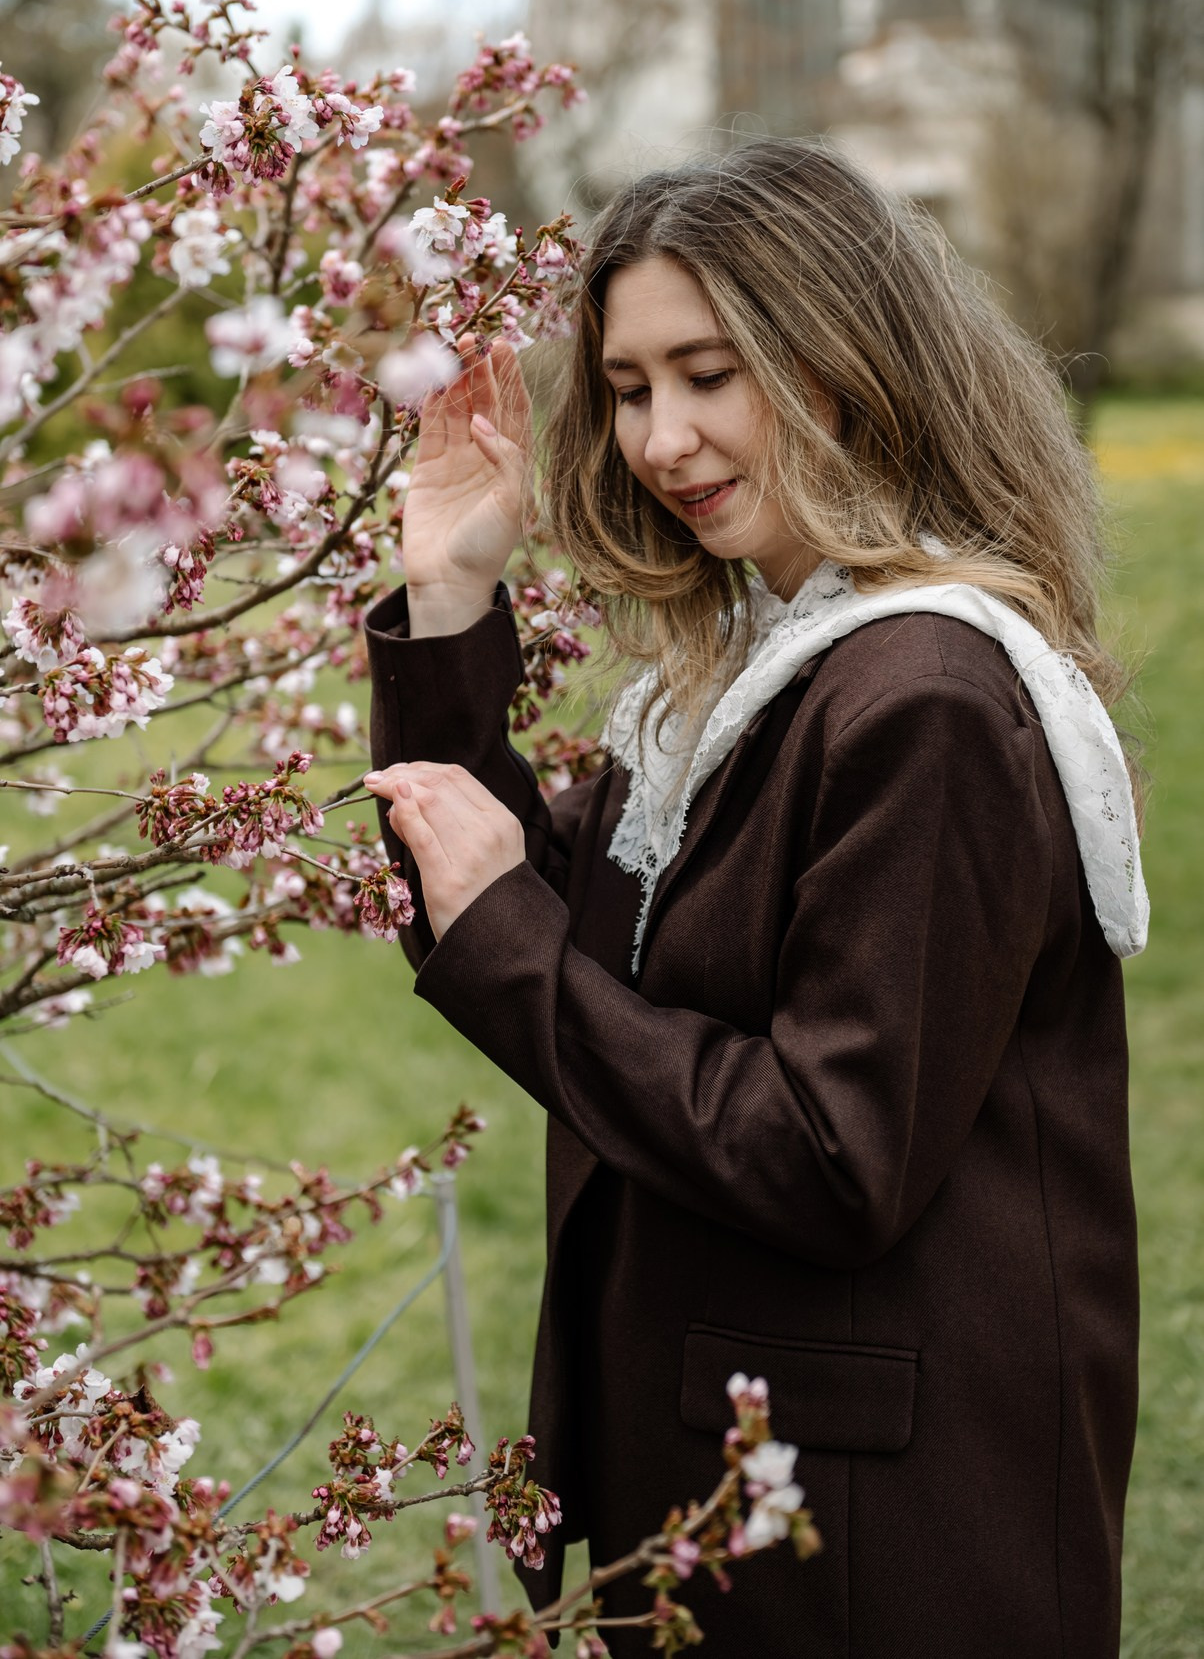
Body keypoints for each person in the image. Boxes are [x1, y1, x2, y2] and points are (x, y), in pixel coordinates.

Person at [363, 140, 1146, 1659]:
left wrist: (507, 941)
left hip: (875, 1530)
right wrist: (451, 590)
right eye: (634, 386)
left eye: (710, 374)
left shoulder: (922, 694)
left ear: (842, 358)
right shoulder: (748, 671)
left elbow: (832, 1154)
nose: (662, 438)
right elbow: (546, 912)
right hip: (749, 1459)